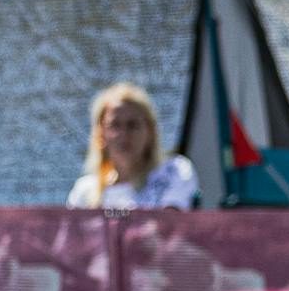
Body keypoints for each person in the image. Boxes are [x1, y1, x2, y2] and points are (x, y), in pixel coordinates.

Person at [66, 83, 198, 210]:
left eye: (133, 125)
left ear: (151, 132)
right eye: (115, 125)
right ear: (100, 134)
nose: (124, 134)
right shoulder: (85, 190)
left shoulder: (174, 170)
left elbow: (169, 225)